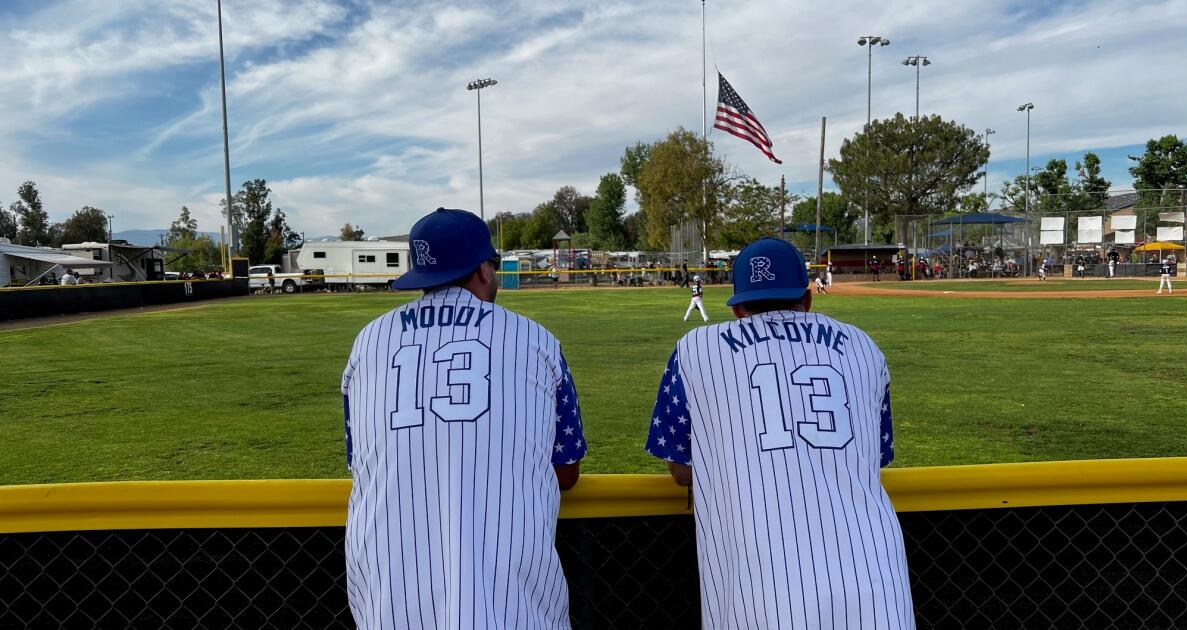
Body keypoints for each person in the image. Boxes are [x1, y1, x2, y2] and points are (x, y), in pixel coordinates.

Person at [644, 237, 915, 629]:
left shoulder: (696, 349)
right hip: (876, 573)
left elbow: (682, 469)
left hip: (765, 584)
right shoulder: (864, 346)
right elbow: (875, 456)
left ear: (737, 308)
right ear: (807, 299)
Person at [341, 208, 587, 629]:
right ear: (483, 271)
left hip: (391, 599)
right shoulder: (535, 340)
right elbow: (565, 472)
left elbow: (360, 464)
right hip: (513, 603)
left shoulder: (368, 343)